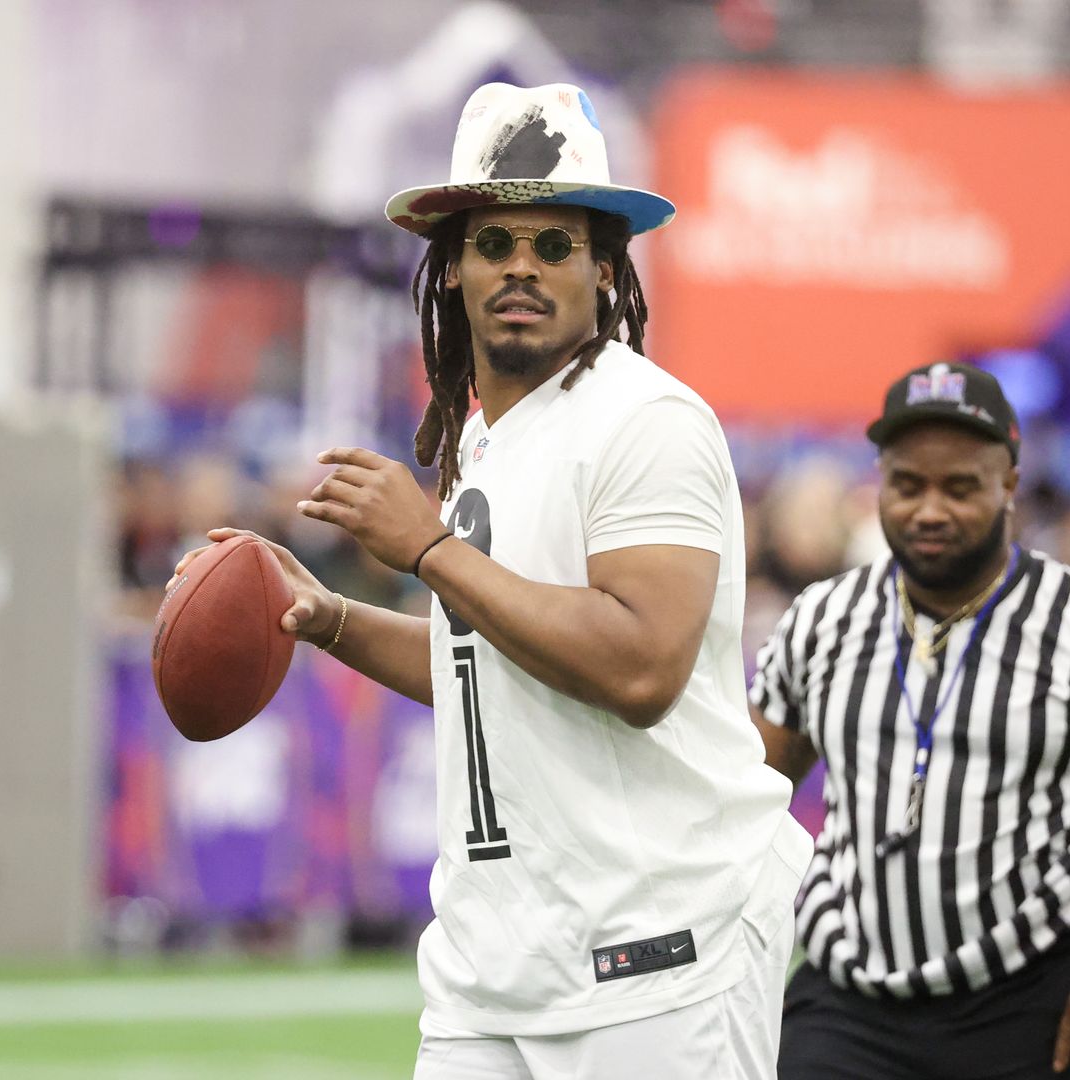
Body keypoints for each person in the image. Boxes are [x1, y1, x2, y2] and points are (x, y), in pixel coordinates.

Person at [176, 82, 808, 1079]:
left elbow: (641, 669)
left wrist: (431, 550)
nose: (521, 265)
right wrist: (332, 619)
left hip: (657, 942)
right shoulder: (483, 439)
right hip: (494, 954)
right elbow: (485, 665)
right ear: (451, 270)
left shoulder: (648, 420)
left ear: (605, 271)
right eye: (493, 242)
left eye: (554, 244)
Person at [749, 362, 1070, 1080]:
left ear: (1010, 484)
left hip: (1031, 1005)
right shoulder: (823, 619)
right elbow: (745, 788)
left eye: (960, 487)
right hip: (849, 1003)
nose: (930, 510)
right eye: (907, 485)